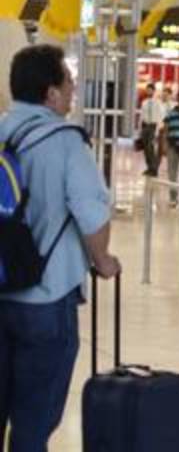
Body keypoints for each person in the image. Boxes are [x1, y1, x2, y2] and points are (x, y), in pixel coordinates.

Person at [0, 44, 121, 450]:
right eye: (68, 82)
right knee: (34, 420)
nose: (72, 90)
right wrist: (103, 260)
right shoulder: (68, 142)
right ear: (50, 93)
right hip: (45, 299)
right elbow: (92, 215)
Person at [138, 82, 164, 176]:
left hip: (153, 126)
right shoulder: (144, 102)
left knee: (150, 147)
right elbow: (142, 116)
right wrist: (140, 129)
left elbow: (160, 116)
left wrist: (157, 129)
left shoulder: (158, 102)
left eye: (150, 89)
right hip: (145, 126)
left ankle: (154, 168)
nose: (148, 91)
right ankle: (149, 167)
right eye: (147, 89)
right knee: (145, 148)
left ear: (153, 91)